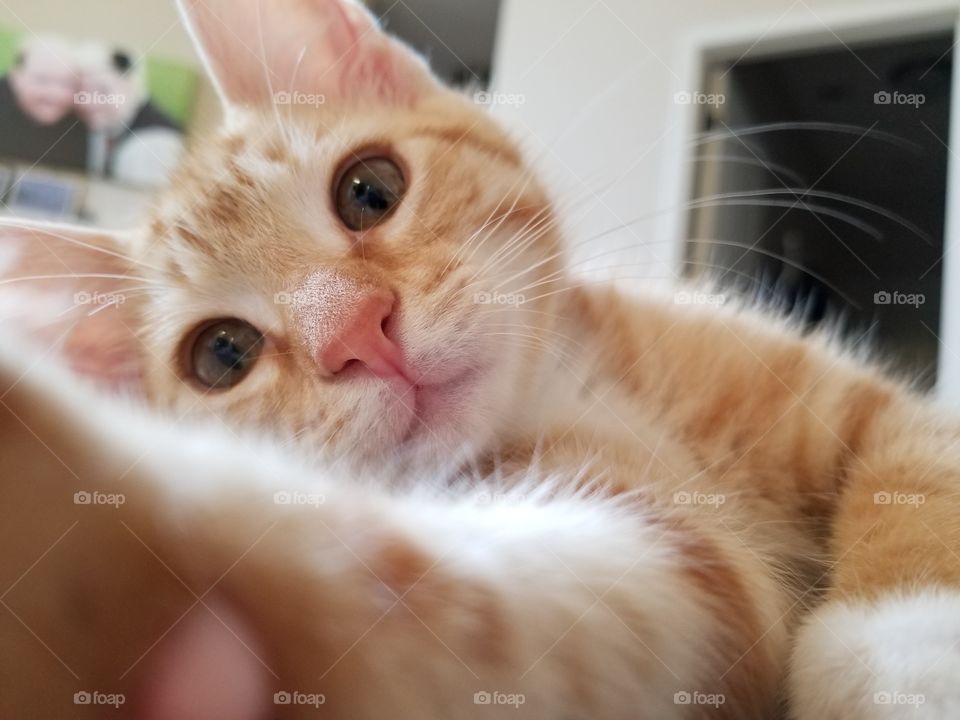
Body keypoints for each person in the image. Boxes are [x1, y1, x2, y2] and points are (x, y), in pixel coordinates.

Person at [75, 43, 184, 187]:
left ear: (132, 84)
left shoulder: (154, 144)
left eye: (102, 91)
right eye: (81, 92)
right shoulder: (107, 128)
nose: (88, 103)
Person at [0, 35, 88, 170]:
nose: (56, 95)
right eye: (43, 80)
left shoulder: (85, 122)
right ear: (15, 75)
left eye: (67, 83)